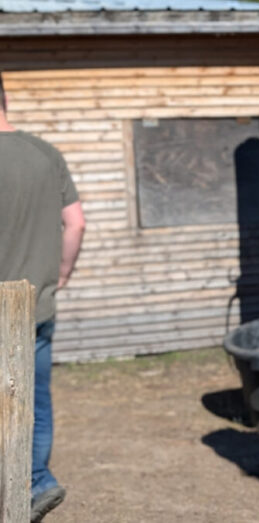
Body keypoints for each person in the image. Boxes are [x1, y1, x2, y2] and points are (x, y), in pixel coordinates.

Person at [0, 72, 85, 522]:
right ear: (6, 98)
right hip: (36, 303)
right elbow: (76, 223)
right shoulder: (46, 154)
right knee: (34, 399)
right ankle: (36, 481)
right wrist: (62, 271)